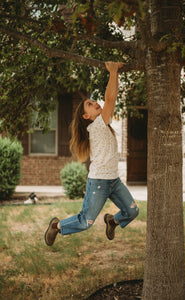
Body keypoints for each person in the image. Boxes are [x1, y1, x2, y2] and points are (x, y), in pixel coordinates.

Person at [45, 61, 139, 246]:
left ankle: (112, 221)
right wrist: (113, 72)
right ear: (86, 117)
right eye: (90, 104)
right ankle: (56, 226)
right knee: (86, 221)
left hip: (114, 181)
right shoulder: (95, 126)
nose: (96, 103)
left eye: (94, 101)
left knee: (132, 211)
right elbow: (110, 99)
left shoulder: (104, 123)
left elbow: (109, 102)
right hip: (98, 183)